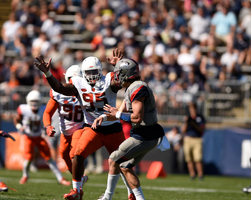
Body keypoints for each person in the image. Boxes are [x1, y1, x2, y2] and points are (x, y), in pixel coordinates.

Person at [34, 49, 135, 200]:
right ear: (83, 73)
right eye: (88, 72)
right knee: (77, 154)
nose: (92, 75)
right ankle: (77, 191)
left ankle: (131, 193)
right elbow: (59, 88)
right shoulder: (78, 83)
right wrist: (48, 74)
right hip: (92, 128)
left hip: (112, 128)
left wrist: (118, 68)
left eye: (94, 71)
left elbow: (124, 80)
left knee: (123, 163)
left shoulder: (109, 80)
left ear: (100, 71)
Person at [92, 58, 169, 200]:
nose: (116, 77)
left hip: (144, 135)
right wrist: (103, 117)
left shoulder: (138, 88)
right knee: (125, 166)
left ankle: (107, 197)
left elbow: (137, 117)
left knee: (113, 159)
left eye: (118, 73)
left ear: (125, 75)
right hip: (147, 135)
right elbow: (118, 114)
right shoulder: (132, 87)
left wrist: (118, 113)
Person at [13, 90, 71, 186]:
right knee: (28, 160)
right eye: (32, 102)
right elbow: (16, 119)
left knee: (49, 158)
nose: (34, 104)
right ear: (28, 101)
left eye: (36, 102)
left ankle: (60, 178)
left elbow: (46, 121)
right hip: (28, 136)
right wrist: (19, 126)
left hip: (39, 137)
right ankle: (25, 175)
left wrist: (45, 131)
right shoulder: (23, 109)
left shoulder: (43, 109)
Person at [43, 65, 88, 184]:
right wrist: (48, 126)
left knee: (74, 154)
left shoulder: (87, 91)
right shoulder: (58, 93)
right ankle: (78, 178)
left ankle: (77, 188)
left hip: (80, 128)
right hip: (65, 131)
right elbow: (47, 112)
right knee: (64, 154)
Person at [181, 102, 206, 180]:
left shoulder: (200, 117)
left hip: (197, 139)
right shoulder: (188, 118)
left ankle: (200, 175)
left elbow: (202, 129)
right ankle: (192, 174)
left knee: (198, 158)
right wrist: (186, 122)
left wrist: (194, 123)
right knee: (189, 159)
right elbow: (183, 130)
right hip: (188, 138)